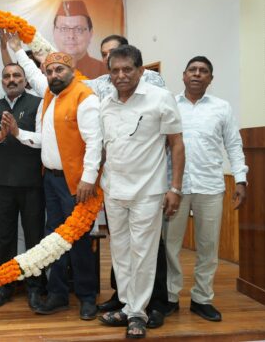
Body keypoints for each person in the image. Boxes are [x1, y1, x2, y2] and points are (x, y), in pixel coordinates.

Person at [99, 45, 185, 339]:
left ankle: (138, 313)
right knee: (120, 253)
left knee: (144, 254)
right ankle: (127, 306)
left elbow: (176, 144)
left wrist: (175, 188)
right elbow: (104, 148)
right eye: (115, 70)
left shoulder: (160, 98)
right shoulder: (106, 103)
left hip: (148, 191)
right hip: (113, 190)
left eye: (127, 69)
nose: (121, 75)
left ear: (140, 70)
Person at [9, 50, 102, 320]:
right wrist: (17, 48)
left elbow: (95, 142)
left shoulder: (85, 97)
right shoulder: (50, 95)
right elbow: (43, 139)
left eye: (59, 70)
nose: (53, 75)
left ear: (72, 70)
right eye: (49, 71)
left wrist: (88, 179)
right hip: (50, 180)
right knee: (54, 240)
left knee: (79, 241)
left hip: (76, 184)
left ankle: (87, 297)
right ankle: (58, 294)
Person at [163, 56, 248, 322]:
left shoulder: (221, 108)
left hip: (210, 187)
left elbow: (233, 144)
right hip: (175, 187)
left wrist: (240, 179)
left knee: (208, 247)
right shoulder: (170, 105)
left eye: (203, 71)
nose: (197, 74)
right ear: (184, 75)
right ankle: (169, 297)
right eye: (192, 70)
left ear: (210, 78)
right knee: (170, 245)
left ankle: (202, 299)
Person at [0, 63, 46, 311]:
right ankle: (4, 286)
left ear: (25, 80)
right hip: (3, 182)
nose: (11, 79)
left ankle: (35, 288)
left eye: (16, 75)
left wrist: (17, 132)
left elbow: (42, 140)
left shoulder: (38, 103)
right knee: (4, 238)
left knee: (34, 238)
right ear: (2, 81)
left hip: (31, 183)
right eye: (6, 76)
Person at [85, 35, 166, 101]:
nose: (108, 57)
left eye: (113, 52)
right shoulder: (100, 82)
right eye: (104, 54)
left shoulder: (150, 76)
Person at [52, 0, 108, 79]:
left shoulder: (105, 71)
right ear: (53, 31)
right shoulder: (46, 70)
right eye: (64, 28)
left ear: (90, 33)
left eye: (79, 29)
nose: (71, 36)